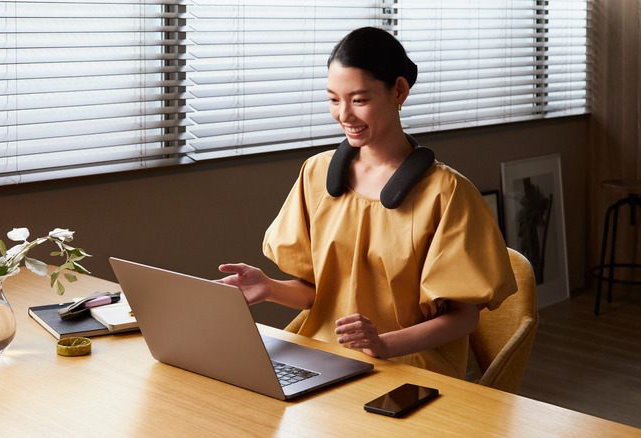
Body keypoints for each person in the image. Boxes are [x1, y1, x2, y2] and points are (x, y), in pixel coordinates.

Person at [218, 27, 517, 379]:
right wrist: (269, 287)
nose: (344, 115)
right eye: (333, 99)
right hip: (323, 358)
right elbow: (320, 294)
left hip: (410, 368)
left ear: (399, 91)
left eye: (359, 100)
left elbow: (464, 317)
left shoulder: (447, 193)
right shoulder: (316, 174)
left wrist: (384, 345)